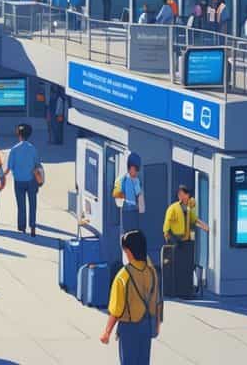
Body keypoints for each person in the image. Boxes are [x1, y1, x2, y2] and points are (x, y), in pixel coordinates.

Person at [100, 230, 161, 363]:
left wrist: (107, 332)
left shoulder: (123, 276)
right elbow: (157, 302)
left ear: (129, 252)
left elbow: (116, 310)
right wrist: (157, 325)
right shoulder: (152, 272)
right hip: (146, 326)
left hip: (129, 328)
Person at [5, 124, 41, 236]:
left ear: (19, 135)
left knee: (21, 205)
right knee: (33, 204)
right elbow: (37, 164)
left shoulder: (14, 149)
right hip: (31, 180)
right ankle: (33, 226)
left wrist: (2, 176)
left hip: (19, 181)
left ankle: (22, 227)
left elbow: (9, 166)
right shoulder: (33, 148)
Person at [113, 153, 144, 236]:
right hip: (128, 210)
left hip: (131, 210)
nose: (137, 172)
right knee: (128, 233)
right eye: (136, 169)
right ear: (131, 167)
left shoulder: (133, 180)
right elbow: (116, 194)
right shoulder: (125, 179)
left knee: (131, 233)